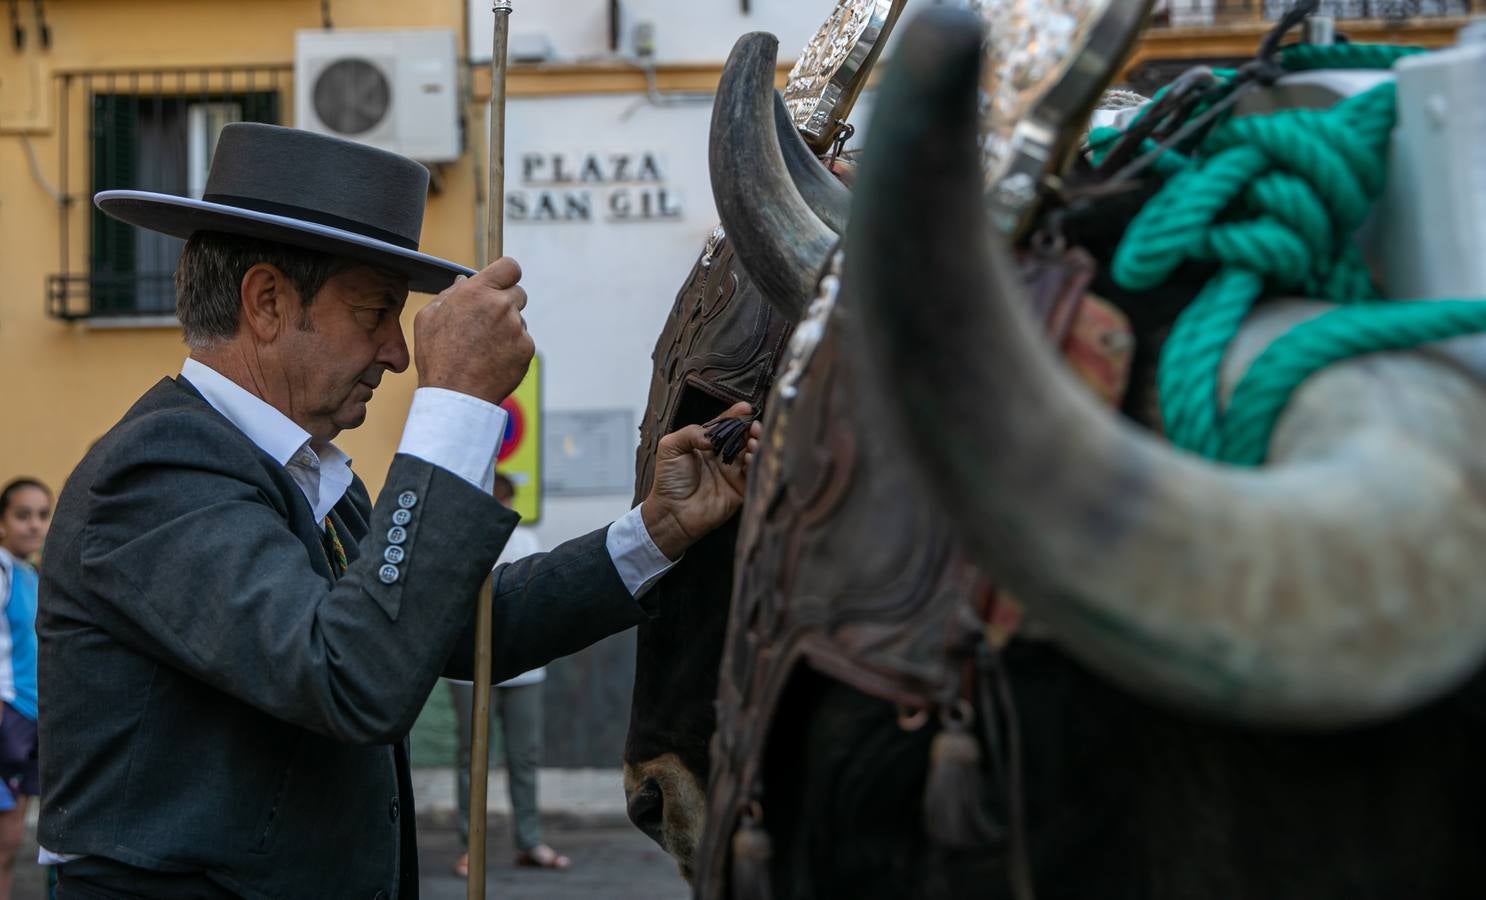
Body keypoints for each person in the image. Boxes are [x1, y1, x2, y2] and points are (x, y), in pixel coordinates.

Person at [37, 123, 759, 900]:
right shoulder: (156, 470)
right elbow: (351, 676)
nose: (397, 353)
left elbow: (463, 630)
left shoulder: (310, 475)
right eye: (376, 312)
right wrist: (451, 404)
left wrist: (658, 530)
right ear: (268, 302)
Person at [448, 473, 567, 878]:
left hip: (525, 671)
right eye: (493, 500)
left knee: (524, 757)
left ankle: (529, 841)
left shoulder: (525, 540)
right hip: (469, 671)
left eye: (504, 501)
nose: (500, 510)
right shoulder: (459, 538)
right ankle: (469, 847)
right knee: (470, 759)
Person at [0, 478, 49, 900]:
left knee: (12, 842)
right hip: (8, 713)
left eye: (42, 514)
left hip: (32, 715)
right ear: (1, 522)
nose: (34, 525)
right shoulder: (0, 569)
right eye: (22, 514)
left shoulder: (31, 573)